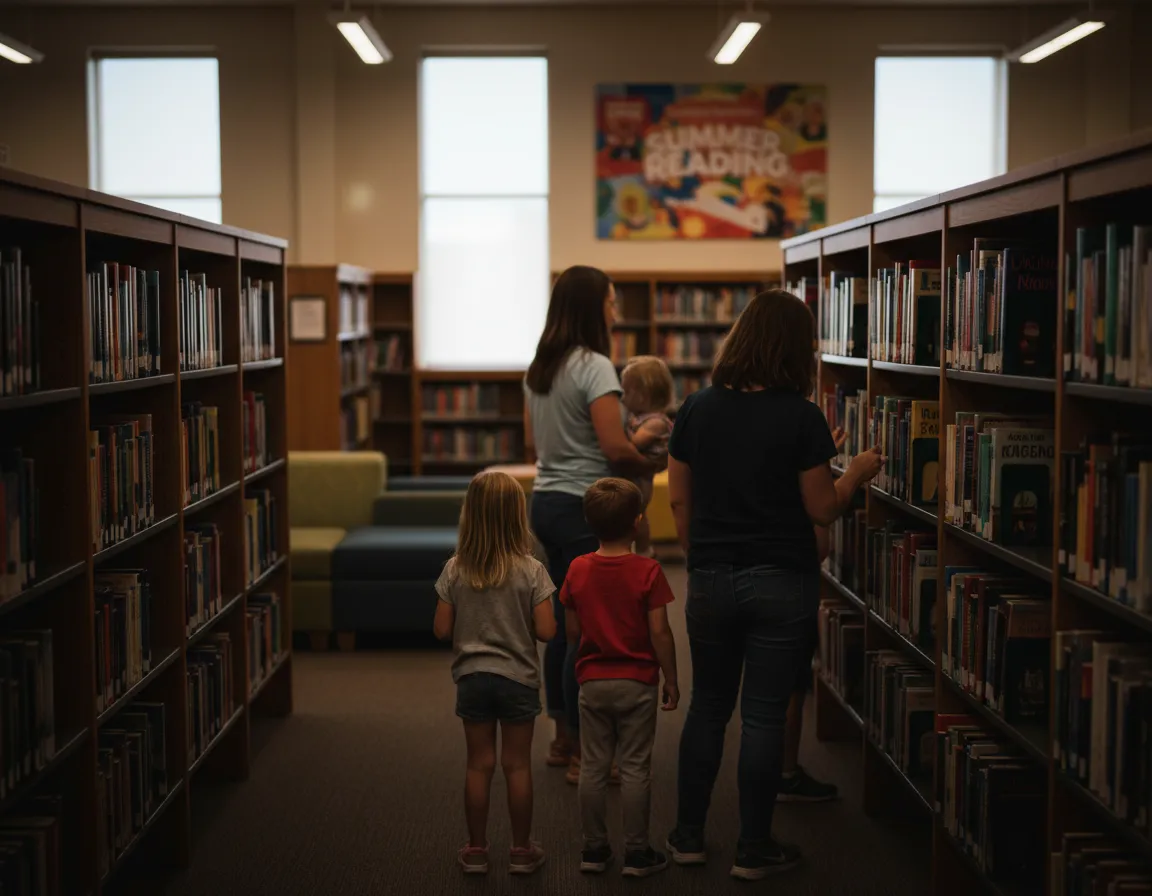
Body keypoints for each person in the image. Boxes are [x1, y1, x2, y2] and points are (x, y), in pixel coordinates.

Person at [663, 288, 883, 880]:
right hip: (781, 581)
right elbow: (822, 510)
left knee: (708, 709)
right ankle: (753, 848)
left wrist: (705, 558)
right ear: (796, 350)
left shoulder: (695, 409)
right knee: (762, 716)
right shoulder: (800, 417)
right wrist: (855, 473)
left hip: (710, 576)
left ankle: (686, 836)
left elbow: (679, 500)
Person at [524, 265, 662, 784]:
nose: (615, 310)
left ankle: (562, 739)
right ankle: (585, 750)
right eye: (609, 301)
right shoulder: (595, 366)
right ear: (590, 307)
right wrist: (652, 461)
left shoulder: (541, 367)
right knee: (591, 632)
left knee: (563, 624)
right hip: (587, 505)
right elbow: (613, 448)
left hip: (546, 501)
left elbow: (534, 445)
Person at [432, 471, 557, 876]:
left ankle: (476, 850)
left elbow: (441, 629)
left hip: (472, 678)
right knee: (517, 765)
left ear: (470, 516)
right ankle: (521, 850)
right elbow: (547, 631)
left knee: (478, 765)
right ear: (517, 516)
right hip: (518, 677)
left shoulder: (456, 568)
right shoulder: (532, 570)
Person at [560, 478, 679, 878]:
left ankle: (594, 850)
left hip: (592, 681)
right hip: (638, 682)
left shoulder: (576, 569)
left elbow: (572, 633)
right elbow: (660, 632)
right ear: (638, 522)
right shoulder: (648, 571)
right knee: (634, 768)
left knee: (593, 766)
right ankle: (636, 851)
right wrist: (672, 677)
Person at [620, 355, 675, 557]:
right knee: (634, 512)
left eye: (626, 392)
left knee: (638, 512)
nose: (622, 398)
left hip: (642, 478)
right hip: (638, 473)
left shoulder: (656, 422)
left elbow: (634, 443)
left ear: (643, 395)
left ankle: (645, 549)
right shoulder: (641, 417)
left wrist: (616, 434)